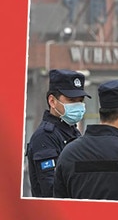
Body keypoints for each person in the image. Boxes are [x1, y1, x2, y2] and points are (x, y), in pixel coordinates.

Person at [25, 69, 91, 197]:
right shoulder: (45, 137)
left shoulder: (73, 132)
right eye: (71, 100)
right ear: (52, 101)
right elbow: (51, 190)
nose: (78, 105)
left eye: (80, 100)